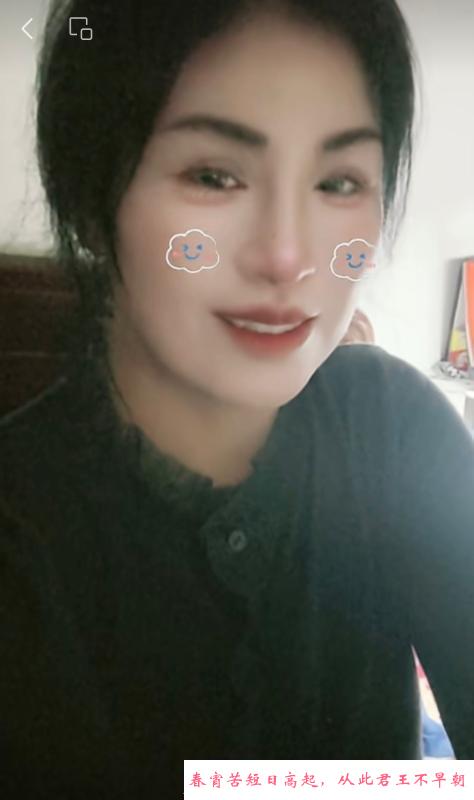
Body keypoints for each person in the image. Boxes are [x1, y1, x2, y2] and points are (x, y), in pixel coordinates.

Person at [1, 0, 473, 796]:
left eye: (338, 182)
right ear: (89, 198)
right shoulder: (23, 531)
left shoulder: (394, 427)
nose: (289, 258)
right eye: (214, 176)